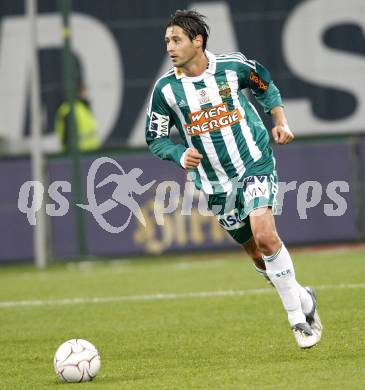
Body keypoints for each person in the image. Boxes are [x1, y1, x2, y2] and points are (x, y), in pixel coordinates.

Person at [145, 10, 323, 348]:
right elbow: (155, 137)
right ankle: (303, 298)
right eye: (167, 40)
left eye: (176, 39)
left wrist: (280, 121)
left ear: (197, 41)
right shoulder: (166, 90)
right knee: (256, 252)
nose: (170, 46)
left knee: (265, 234)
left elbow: (265, 85)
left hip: (254, 162)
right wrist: (179, 154)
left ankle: (298, 321)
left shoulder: (233, 67)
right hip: (214, 183)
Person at [54, 81, 101, 152]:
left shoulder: (82, 107)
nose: (86, 93)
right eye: (84, 90)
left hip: (90, 153)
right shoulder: (69, 109)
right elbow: (67, 139)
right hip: (79, 154)